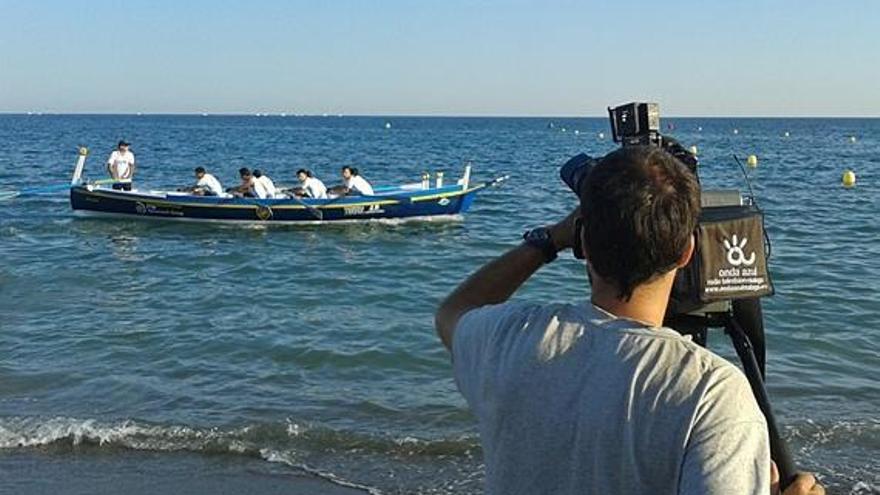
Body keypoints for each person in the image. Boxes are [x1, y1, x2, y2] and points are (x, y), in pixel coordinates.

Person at [435, 145, 823, 495]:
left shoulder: (508, 339)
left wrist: (548, 240)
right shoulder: (711, 393)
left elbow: (453, 311)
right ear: (688, 250)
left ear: (583, 244)